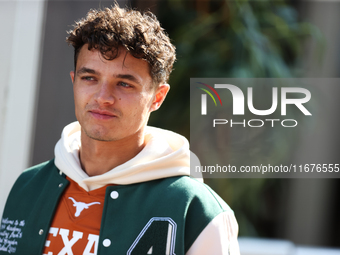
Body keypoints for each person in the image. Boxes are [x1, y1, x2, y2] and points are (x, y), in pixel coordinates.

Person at [0, 4, 239, 255]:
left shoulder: (197, 210)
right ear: (74, 82)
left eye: (124, 84)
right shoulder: (28, 187)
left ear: (157, 97)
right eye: (89, 78)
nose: (103, 97)